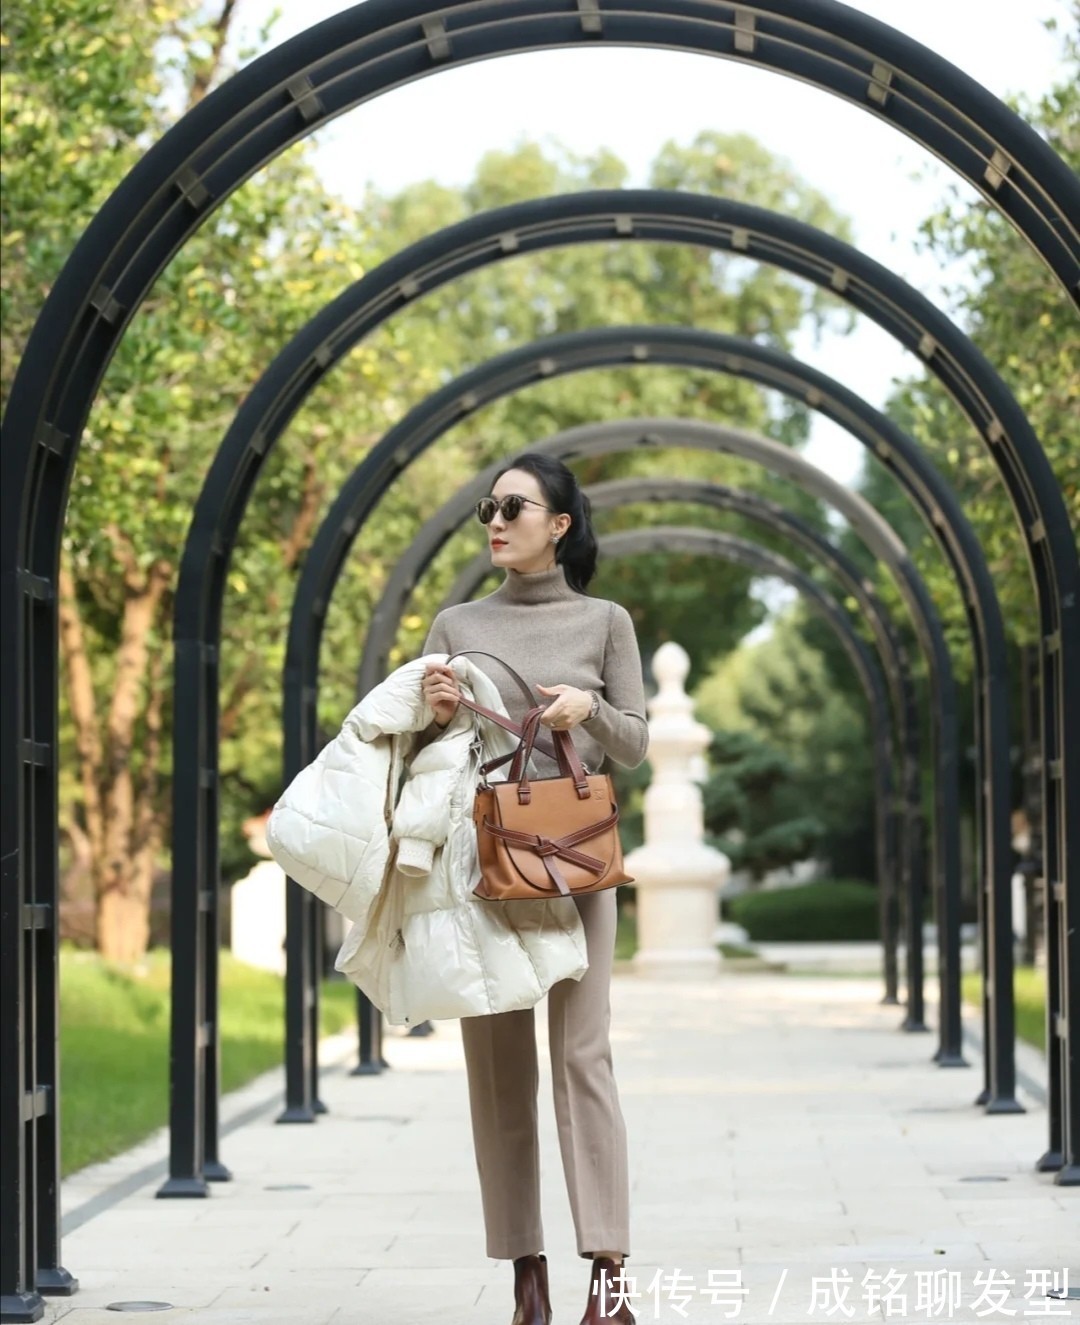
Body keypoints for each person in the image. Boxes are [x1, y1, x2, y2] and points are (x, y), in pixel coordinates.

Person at [420, 453, 649, 1325]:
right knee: (498, 1071)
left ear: (559, 523)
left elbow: (633, 741)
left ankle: (610, 1274)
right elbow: (419, 754)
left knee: (583, 1058)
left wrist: (584, 712)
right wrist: (436, 709)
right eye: (489, 505)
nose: (496, 519)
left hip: (580, 863)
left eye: (514, 506)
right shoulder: (454, 619)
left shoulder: (605, 621)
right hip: (488, 869)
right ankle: (527, 1276)